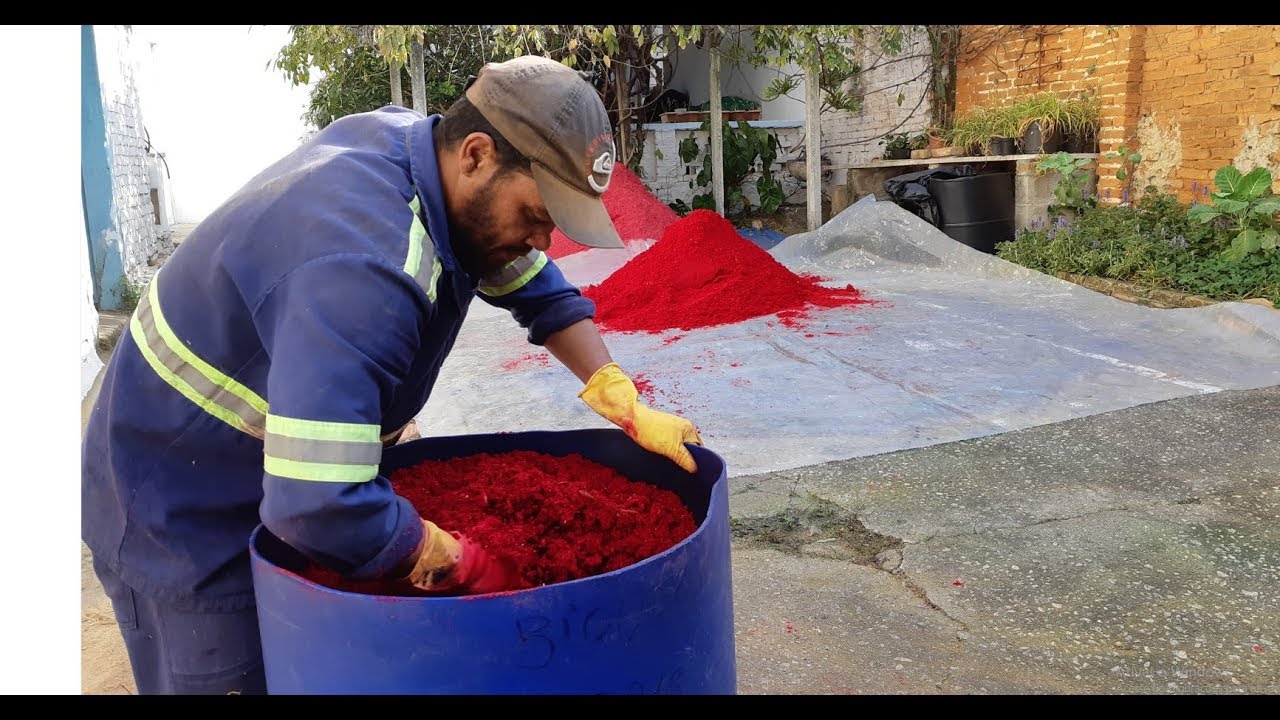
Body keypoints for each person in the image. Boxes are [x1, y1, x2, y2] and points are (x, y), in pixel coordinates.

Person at [81, 54, 704, 695]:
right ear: (478, 155)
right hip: (175, 495)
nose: (542, 241)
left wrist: (620, 396)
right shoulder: (365, 268)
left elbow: (538, 291)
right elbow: (317, 504)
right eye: (537, 215)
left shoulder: (434, 168)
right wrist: (455, 561)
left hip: (281, 464)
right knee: (237, 676)